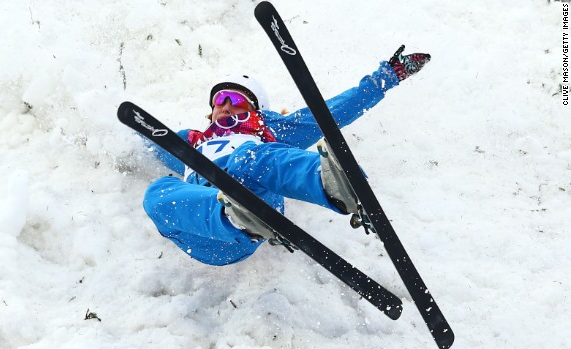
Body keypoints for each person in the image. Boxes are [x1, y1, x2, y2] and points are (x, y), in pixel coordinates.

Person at [143, 45, 431, 266]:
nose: (227, 106)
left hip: (253, 210)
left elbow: (329, 112)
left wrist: (387, 76)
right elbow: (145, 141)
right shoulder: (189, 142)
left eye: (239, 101)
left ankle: (331, 185)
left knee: (247, 157)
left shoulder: (267, 129)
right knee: (158, 191)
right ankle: (229, 214)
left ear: (255, 110)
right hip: (203, 236)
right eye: (221, 99)